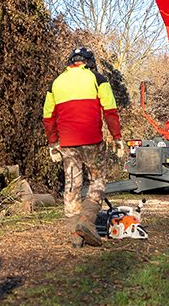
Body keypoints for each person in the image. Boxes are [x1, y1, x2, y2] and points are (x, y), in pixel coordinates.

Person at [44, 47, 125, 247]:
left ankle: (75, 235)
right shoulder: (98, 79)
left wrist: (53, 142)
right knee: (98, 181)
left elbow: (48, 118)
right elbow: (110, 110)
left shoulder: (56, 83)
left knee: (72, 185)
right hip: (92, 142)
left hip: (68, 144)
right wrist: (117, 137)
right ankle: (86, 220)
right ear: (88, 62)